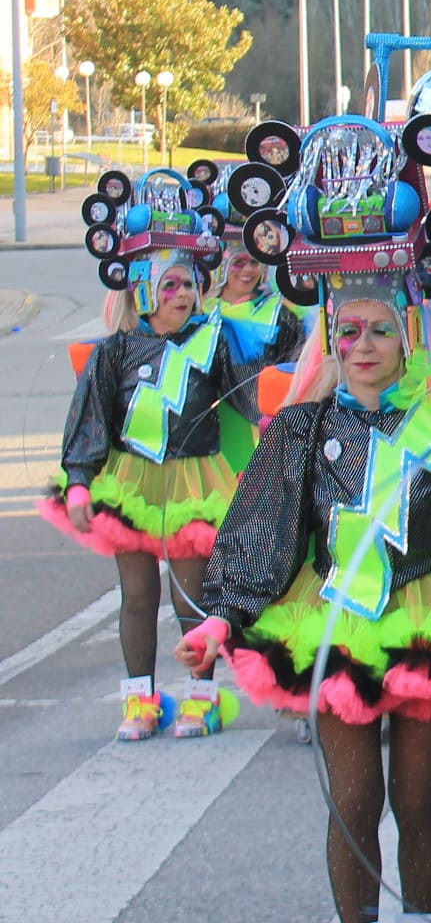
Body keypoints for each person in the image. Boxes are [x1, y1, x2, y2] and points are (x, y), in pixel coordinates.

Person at [181, 116, 431, 923]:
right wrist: (221, 621)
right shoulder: (302, 426)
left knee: (417, 803)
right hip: (331, 622)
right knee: (352, 805)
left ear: (408, 331)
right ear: (328, 334)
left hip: (430, 619)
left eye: (379, 331)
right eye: (346, 330)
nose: (361, 346)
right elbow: (263, 528)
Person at [43, 180, 253, 742]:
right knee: (137, 595)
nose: (183, 294)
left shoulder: (213, 338)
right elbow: (89, 419)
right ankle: (139, 699)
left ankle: (202, 696)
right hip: (130, 482)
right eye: (171, 284)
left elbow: (249, 399)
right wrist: (81, 483)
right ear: (144, 288)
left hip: (194, 484)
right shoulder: (115, 350)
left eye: (189, 282)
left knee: (191, 595)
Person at [210, 236, 307, 370]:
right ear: (222, 267)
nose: (248, 269)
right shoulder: (205, 313)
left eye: (254, 262)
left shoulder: (280, 315)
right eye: (238, 261)